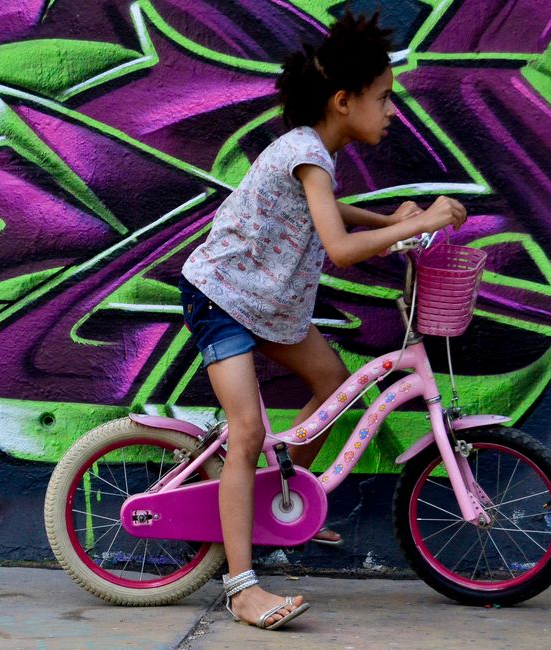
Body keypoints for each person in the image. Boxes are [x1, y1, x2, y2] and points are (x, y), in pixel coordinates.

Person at [179, 12, 467, 630]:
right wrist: (415, 225)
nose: (392, 111)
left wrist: (392, 222)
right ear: (343, 101)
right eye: (384, 98)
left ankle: (279, 500)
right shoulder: (309, 152)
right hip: (224, 297)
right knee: (248, 431)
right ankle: (241, 584)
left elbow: (329, 213)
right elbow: (337, 247)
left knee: (332, 385)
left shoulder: (314, 157)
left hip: (267, 302)